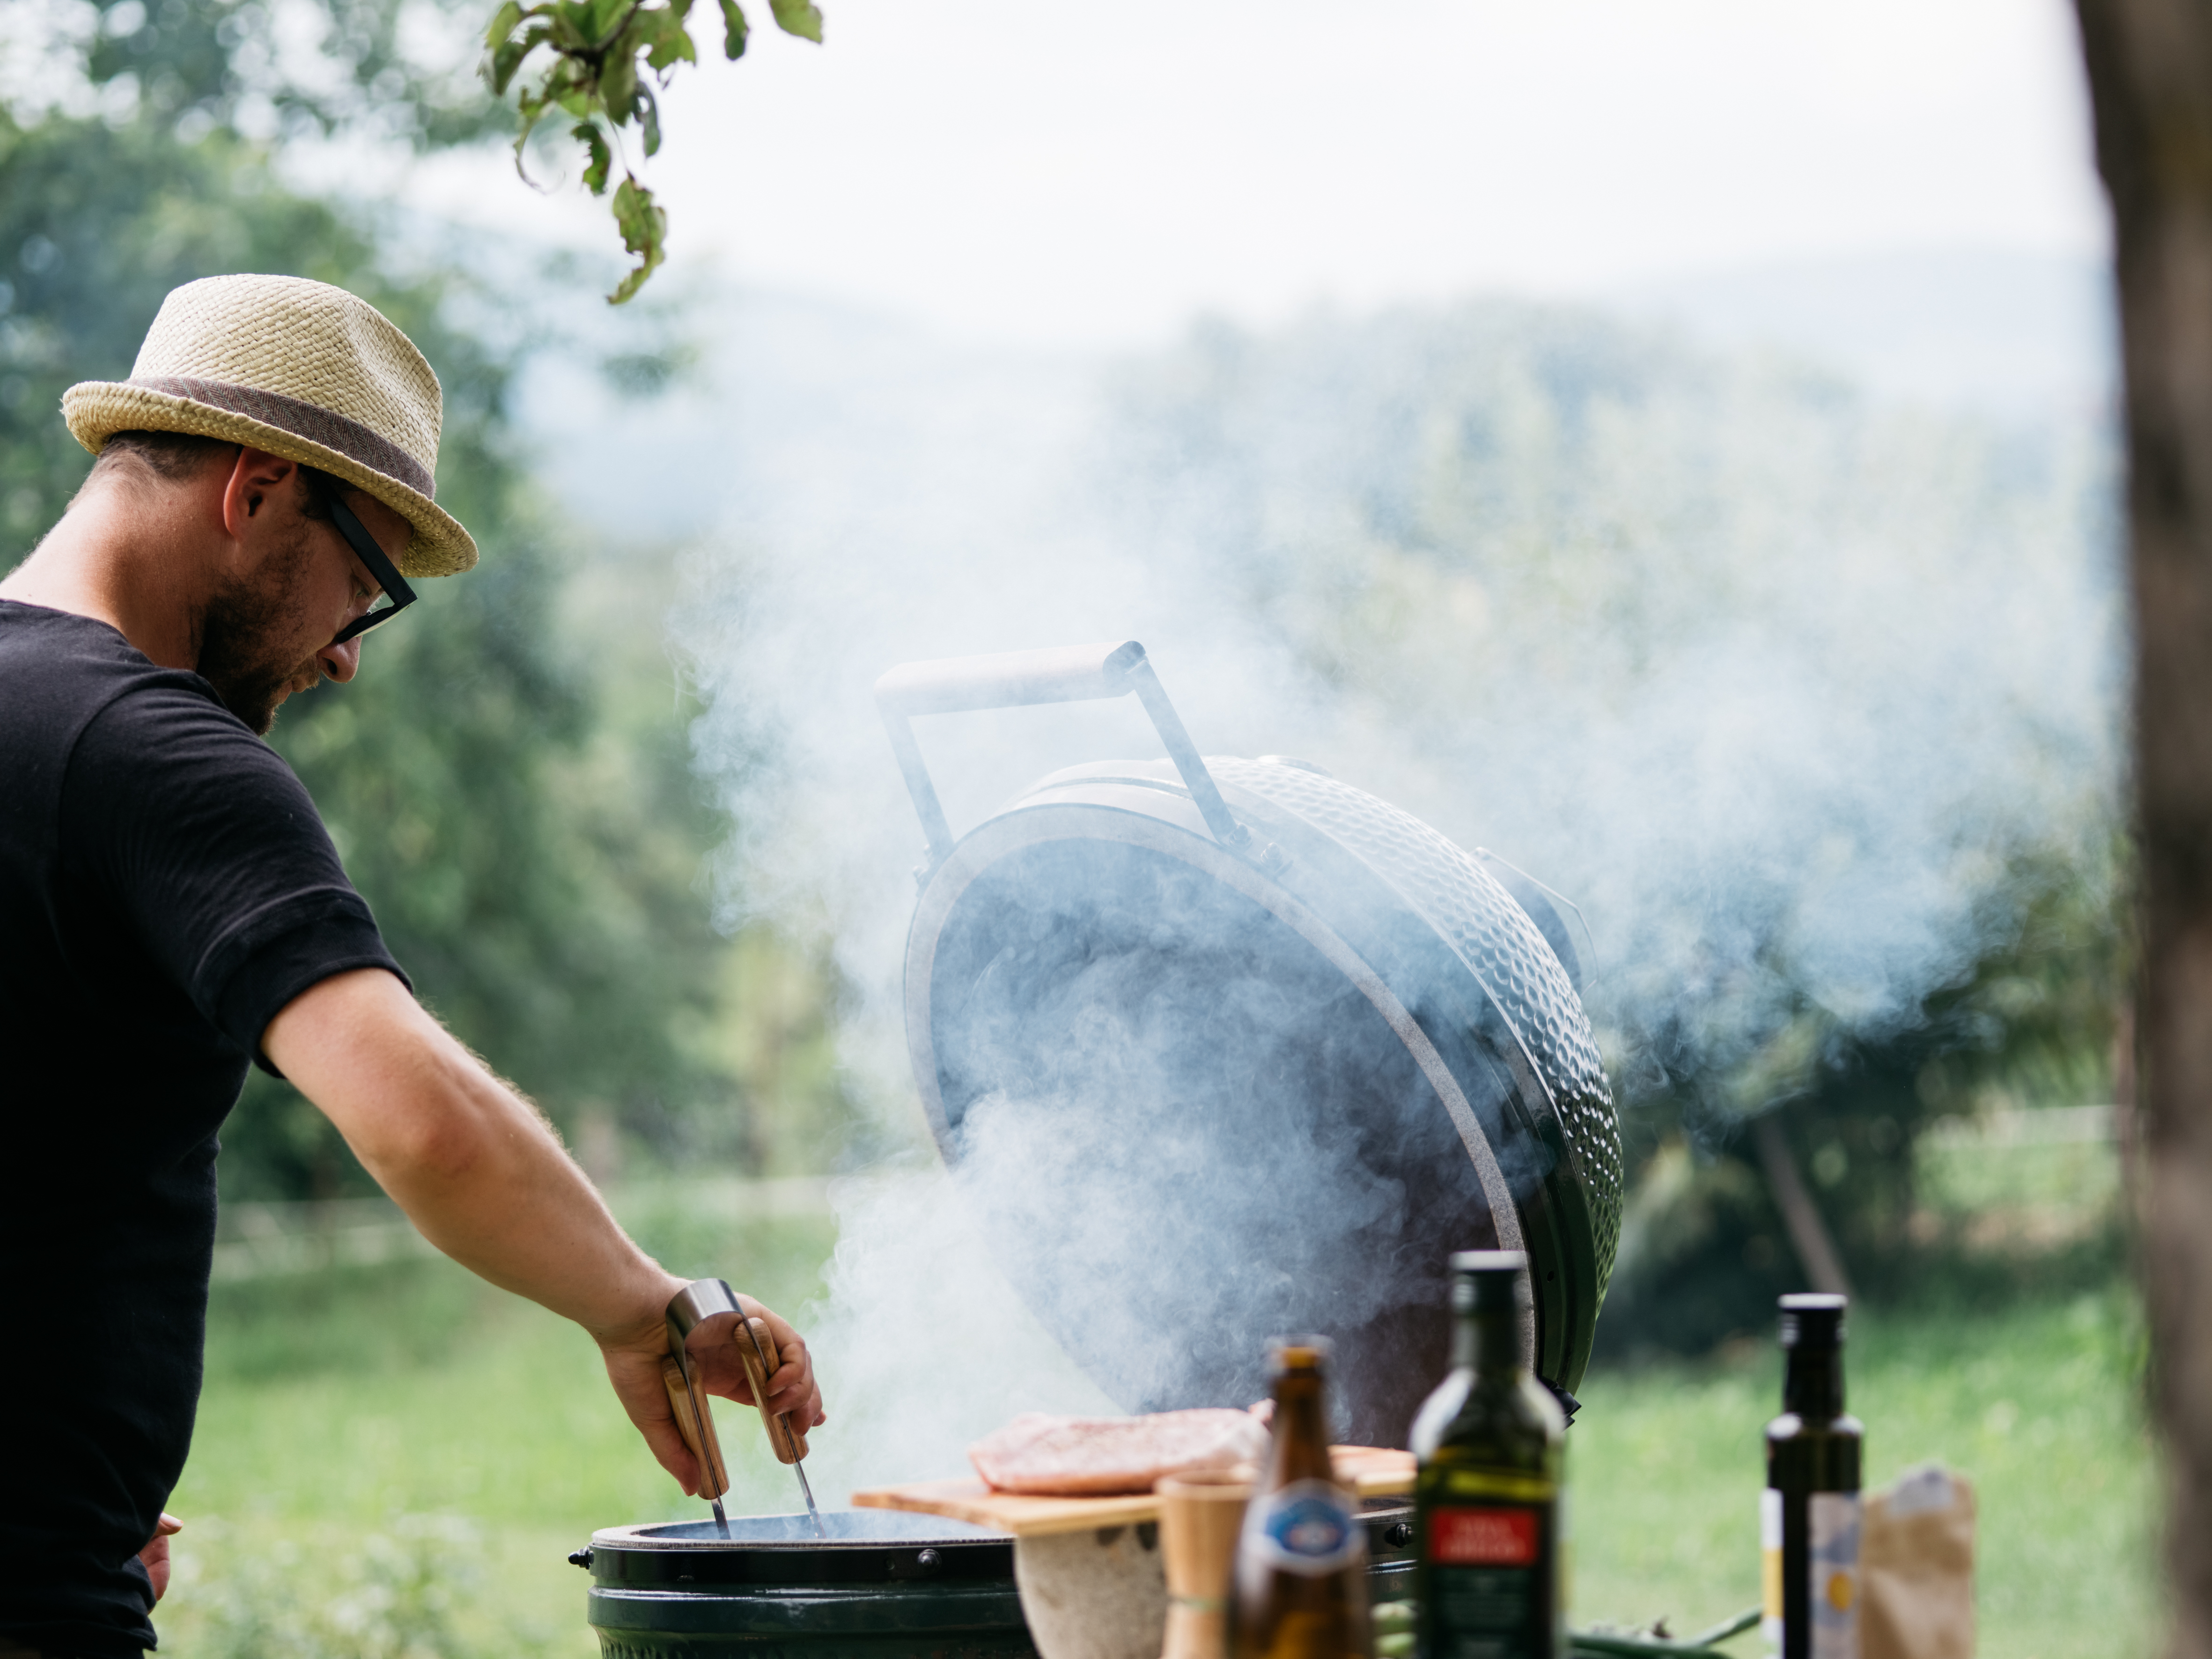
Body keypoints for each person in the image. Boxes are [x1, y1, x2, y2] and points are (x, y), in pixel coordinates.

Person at [0, 273, 826, 1659]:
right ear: (257, 491)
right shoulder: (161, 759)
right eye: (365, 585)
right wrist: (644, 1313)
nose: (344, 656)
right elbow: (426, 1125)